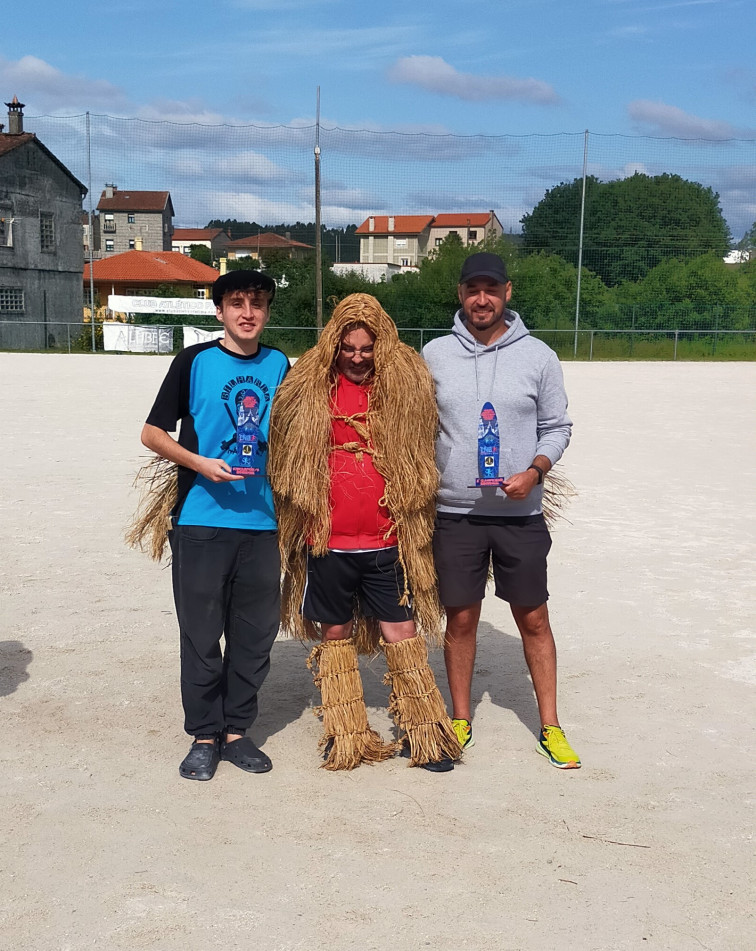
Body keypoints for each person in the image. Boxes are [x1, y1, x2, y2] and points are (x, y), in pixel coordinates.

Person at [269, 293, 460, 772]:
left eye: (366, 348)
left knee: (402, 630)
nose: (357, 357)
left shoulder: (405, 384)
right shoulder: (308, 385)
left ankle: (426, 735)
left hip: (387, 539)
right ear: (335, 343)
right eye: (348, 348)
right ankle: (345, 733)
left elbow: (424, 449)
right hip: (327, 539)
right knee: (336, 632)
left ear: (381, 345)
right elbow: (282, 451)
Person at [422, 252, 581, 769]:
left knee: (533, 619)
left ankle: (551, 726)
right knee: (461, 619)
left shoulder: (539, 356)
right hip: (455, 514)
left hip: (520, 515)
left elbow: (558, 428)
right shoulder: (435, 354)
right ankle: (460, 718)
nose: (481, 299)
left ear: (507, 292)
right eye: (473, 289)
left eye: (491, 289)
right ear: (461, 293)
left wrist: (535, 471)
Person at [139, 269, 289, 781]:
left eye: (258, 303)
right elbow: (151, 433)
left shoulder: (280, 365)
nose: (248, 313)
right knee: (201, 633)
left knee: (254, 633)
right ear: (220, 310)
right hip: (201, 519)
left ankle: (236, 732)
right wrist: (200, 464)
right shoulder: (194, 361)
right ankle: (204, 733)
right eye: (238, 303)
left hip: (262, 521)